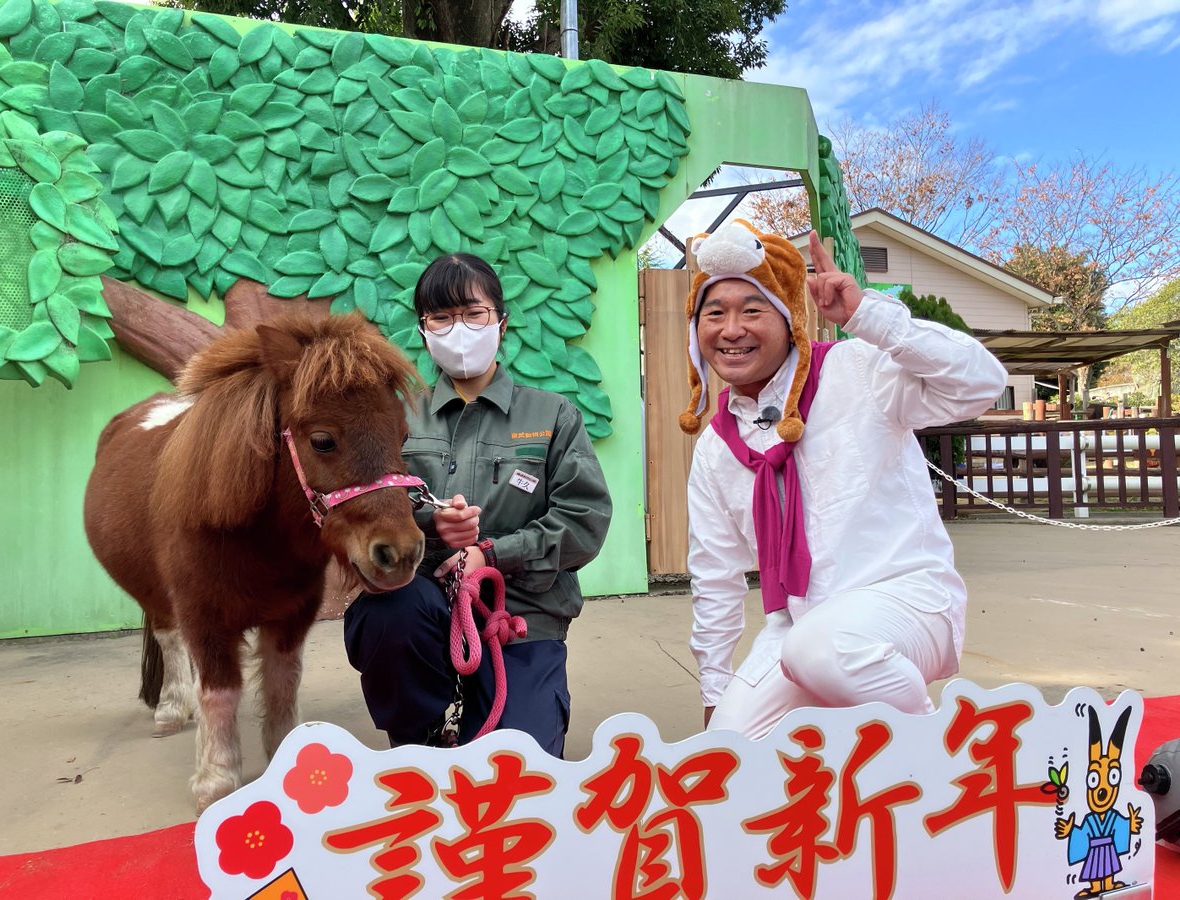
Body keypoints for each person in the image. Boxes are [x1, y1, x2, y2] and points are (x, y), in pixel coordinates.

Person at [677, 219, 1008, 739]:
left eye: (752, 310)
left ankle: (931, 749)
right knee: (728, 752)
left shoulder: (856, 370)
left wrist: (869, 316)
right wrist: (715, 691)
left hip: (905, 597)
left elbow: (981, 383)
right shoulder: (717, 446)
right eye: (713, 314)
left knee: (821, 652)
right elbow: (715, 576)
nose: (731, 329)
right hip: (801, 624)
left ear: (790, 321)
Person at [345, 252, 612, 757]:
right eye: (440, 318)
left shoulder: (553, 415)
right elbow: (365, 514)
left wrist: (492, 554)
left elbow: (584, 520)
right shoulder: (397, 419)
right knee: (388, 615)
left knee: (520, 767)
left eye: (473, 314)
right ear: (423, 331)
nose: (458, 329)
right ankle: (419, 736)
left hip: (520, 618)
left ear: (501, 322)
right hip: (423, 607)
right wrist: (429, 526)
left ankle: (497, 715)